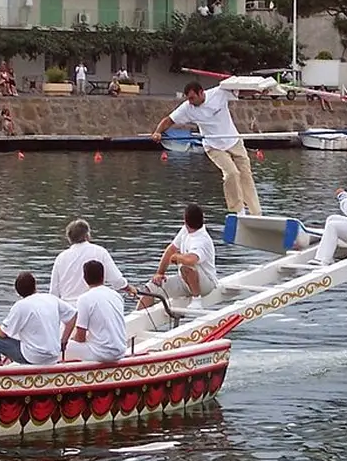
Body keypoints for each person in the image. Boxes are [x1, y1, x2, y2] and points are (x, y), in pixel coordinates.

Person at [152, 81, 261, 216]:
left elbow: (240, 93)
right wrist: (157, 132)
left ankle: (256, 213)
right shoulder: (187, 108)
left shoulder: (219, 93)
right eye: (188, 99)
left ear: (201, 93)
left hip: (234, 141)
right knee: (232, 173)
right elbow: (168, 120)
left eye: (192, 98)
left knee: (246, 176)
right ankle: (238, 211)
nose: (190, 102)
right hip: (213, 146)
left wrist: (258, 91)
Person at [0, 271, 76, 365]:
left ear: (17, 292)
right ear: (35, 286)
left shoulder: (20, 306)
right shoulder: (51, 298)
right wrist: (64, 340)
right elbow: (73, 315)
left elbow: (3, 333)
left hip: (33, 357)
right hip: (53, 356)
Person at [140, 204, 217, 307]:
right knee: (151, 288)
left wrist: (177, 258)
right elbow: (171, 249)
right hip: (184, 281)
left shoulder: (202, 239)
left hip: (205, 285)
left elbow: (191, 260)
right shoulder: (185, 230)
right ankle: (135, 315)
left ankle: (196, 299)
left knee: (186, 266)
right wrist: (160, 273)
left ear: (185, 220)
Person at [49, 218, 128, 304]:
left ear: (69, 238)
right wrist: (128, 287)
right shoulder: (99, 252)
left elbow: (54, 292)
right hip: (93, 305)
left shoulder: (60, 258)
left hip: (67, 307)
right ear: (87, 235)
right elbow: (116, 280)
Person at [64, 260, 127, 363]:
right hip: (120, 351)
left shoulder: (84, 299)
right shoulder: (116, 295)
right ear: (103, 276)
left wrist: (70, 340)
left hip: (101, 353)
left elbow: (80, 337)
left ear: (85, 278)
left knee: (59, 345)